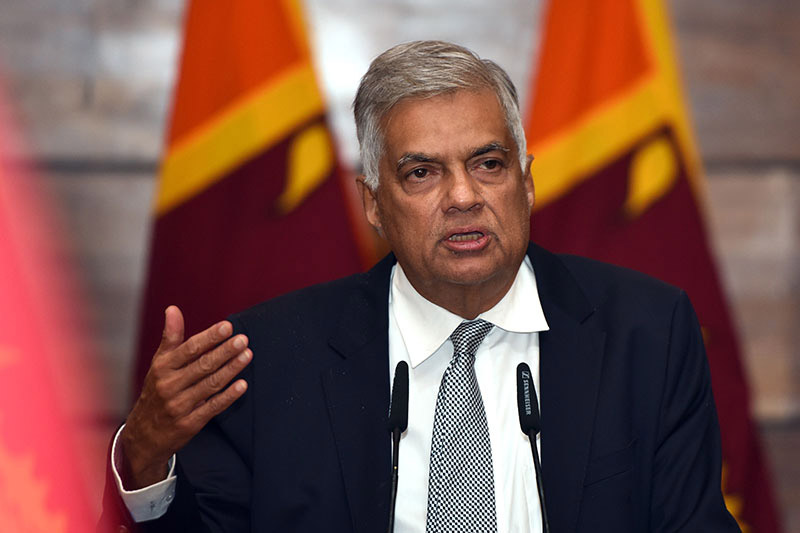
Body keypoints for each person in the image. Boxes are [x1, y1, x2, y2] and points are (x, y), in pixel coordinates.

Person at [100, 40, 740, 532]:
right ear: (374, 203)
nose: (463, 197)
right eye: (422, 173)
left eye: (488, 164)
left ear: (526, 183)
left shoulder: (646, 333)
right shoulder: (268, 360)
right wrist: (145, 460)